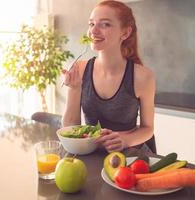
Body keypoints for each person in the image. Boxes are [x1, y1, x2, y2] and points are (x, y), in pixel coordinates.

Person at [62, 0, 155, 153]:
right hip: (90, 153)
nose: (93, 31)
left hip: (130, 155)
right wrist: (74, 89)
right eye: (91, 24)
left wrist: (124, 141)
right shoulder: (79, 68)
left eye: (105, 24)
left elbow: (148, 129)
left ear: (125, 33)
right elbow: (69, 130)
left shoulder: (143, 77)